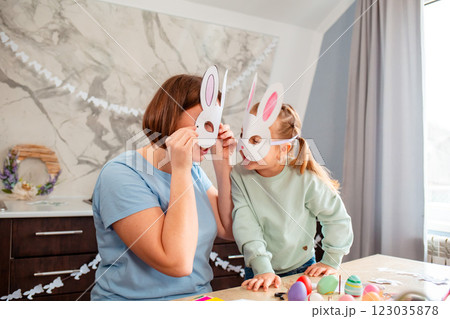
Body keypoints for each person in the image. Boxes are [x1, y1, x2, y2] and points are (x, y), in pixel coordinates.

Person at [90, 74, 235, 300]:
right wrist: (180, 169)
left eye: (215, 124)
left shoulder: (193, 171)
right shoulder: (120, 174)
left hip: (198, 300)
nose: (211, 133)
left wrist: (223, 162)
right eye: (203, 122)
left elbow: (229, 228)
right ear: (170, 116)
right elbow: (177, 263)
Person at [231, 103, 353, 292]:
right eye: (243, 135)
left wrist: (331, 260)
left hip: (303, 269)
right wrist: (262, 269)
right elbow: (246, 225)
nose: (244, 145)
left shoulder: (304, 177)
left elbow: (336, 217)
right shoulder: (239, 175)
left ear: (283, 149)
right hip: (259, 272)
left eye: (255, 140)